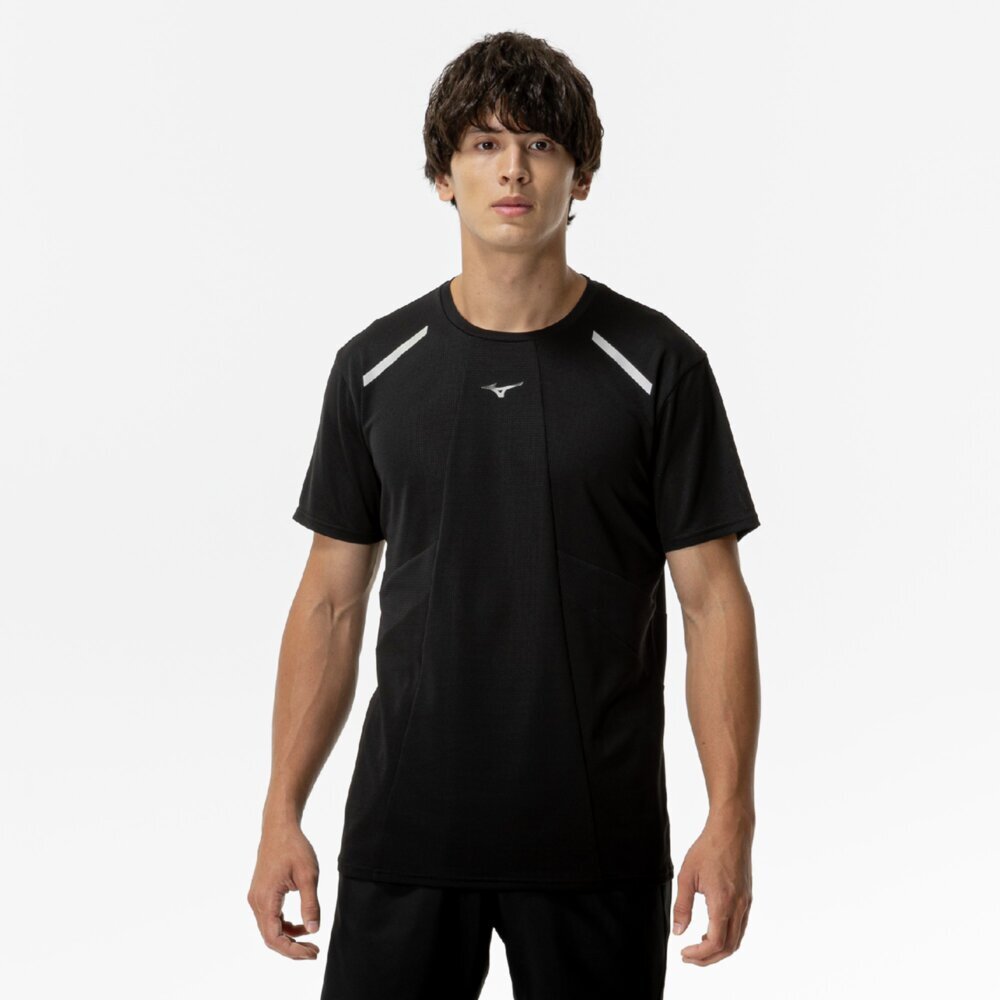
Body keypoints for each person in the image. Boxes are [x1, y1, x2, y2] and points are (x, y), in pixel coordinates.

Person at [247, 29, 761, 999]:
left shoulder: (659, 367)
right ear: (443, 176)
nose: (513, 169)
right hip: (406, 832)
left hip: (595, 842)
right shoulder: (373, 367)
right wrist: (282, 812)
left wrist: (729, 819)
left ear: (582, 176)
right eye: (484, 144)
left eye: (540, 144)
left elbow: (712, 604)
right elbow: (329, 604)